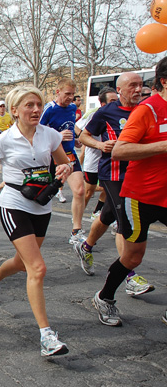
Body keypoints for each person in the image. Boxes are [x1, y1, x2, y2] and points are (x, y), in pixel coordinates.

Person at [0, 86, 72, 356]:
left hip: (42, 203)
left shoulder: (49, 135)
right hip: (14, 203)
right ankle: (46, 336)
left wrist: (65, 168)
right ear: (14, 110)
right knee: (36, 268)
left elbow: (66, 163)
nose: (36, 110)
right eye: (29, 105)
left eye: (38, 104)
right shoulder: (4, 140)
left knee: (23, 260)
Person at [85, 62, 167, 327]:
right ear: (164, 82)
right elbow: (120, 150)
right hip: (139, 196)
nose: (137, 89)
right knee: (133, 256)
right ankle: (105, 297)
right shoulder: (147, 110)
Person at [75, 72, 152, 297]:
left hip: (140, 174)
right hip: (114, 174)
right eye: (133, 86)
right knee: (123, 220)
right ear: (119, 90)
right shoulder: (106, 112)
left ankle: (86, 246)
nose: (138, 90)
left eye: (141, 85)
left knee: (108, 215)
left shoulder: (146, 110)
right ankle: (130, 276)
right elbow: (84, 136)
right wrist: (101, 146)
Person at [40, 78, 86, 244]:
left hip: (69, 153)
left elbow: (70, 126)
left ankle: (76, 231)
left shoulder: (73, 108)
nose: (70, 98)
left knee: (80, 190)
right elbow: (37, 132)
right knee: (43, 195)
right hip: (51, 156)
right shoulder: (49, 109)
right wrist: (58, 136)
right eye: (67, 94)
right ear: (57, 92)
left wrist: (76, 139)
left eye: (73, 94)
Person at [74, 87, 118, 219]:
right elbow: (77, 127)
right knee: (88, 192)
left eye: (117, 100)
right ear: (103, 103)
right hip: (93, 159)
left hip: (109, 161)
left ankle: (97, 211)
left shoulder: (119, 115)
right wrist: (90, 141)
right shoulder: (95, 114)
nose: (116, 103)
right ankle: (78, 220)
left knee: (108, 189)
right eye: (112, 101)